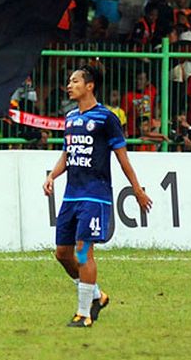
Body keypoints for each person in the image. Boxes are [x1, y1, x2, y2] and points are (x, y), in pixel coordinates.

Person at [43, 64, 152, 328]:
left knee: (83, 251)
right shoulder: (70, 119)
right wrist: (52, 176)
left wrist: (137, 189)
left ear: (89, 86)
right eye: (69, 81)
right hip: (71, 195)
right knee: (62, 254)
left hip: (95, 194)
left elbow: (122, 158)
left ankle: (84, 314)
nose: (69, 85)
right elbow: (68, 155)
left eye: (75, 81)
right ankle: (96, 295)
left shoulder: (106, 118)